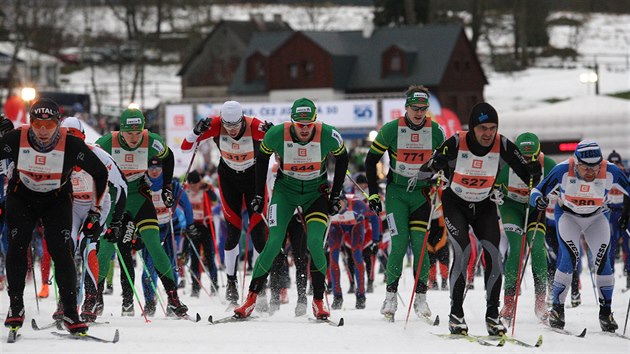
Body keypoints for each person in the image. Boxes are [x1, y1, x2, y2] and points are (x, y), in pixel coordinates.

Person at [421, 102, 540, 335]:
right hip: (456, 204)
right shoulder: (457, 141)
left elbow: (526, 173)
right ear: (473, 127)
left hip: (484, 204)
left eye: (492, 127)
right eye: (483, 128)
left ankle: (492, 315)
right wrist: (435, 165)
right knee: (463, 253)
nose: (488, 133)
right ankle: (456, 314)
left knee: (494, 255)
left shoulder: (502, 144)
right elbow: (425, 170)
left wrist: (533, 172)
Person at [234, 97, 348, 320]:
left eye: (308, 124)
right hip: (285, 192)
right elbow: (262, 158)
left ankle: (317, 301)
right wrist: (258, 194)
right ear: (292, 121)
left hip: (315, 194)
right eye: (299, 124)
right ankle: (250, 300)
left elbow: (342, 159)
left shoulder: (329, 134)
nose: (304, 130)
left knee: (315, 243)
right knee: (274, 241)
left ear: (315, 121)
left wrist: (335, 195)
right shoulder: (277, 134)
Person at [1, 99, 108, 334]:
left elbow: (100, 174)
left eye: (48, 126)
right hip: (22, 197)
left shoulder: (71, 144)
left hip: (56, 200)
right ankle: (16, 306)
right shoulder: (15, 139)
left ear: (58, 125)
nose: (42, 131)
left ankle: (70, 312)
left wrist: (95, 210)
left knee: (62, 250)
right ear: (30, 123)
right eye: (37, 124)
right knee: (18, 245)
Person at [94, 108, 189, 318]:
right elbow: (90, 164)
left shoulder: (152, 141)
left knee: (155, 246)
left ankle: (173, 299)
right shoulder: (107, 143)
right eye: (129, 134)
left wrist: (165, 187)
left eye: (138, 133)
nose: (134, 138)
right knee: (106, 249)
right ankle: (94, 298)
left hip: (139, 197)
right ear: (121, 131)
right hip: (117, 199)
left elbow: (169, 157)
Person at [530, 140, 630, 332]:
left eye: (595, 167)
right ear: (576, 163)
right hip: (568, 216)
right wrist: (538, 201)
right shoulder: (562, 170)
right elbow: (537, 190)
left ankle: (605, 313)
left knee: (603, 260)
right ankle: (558, 310)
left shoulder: (610, 171)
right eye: (585, 168)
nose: (591, 173)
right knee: (569, 257)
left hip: (597, 217)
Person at [364, 85, 445, 321]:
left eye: (423, 108)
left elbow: (449, 159)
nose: (419, 113)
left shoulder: (436, 131)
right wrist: (372, 193)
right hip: (397, 193)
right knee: (399, 244)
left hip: (421, 194)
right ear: (406, 107)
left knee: (421, 245)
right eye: (415, 108)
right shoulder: (391, 129)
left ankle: (421, 298)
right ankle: (390, 296)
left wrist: (441, 172)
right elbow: (371, 161)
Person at [181, 100, 270, 304]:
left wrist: (271, 132)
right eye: (227, 126)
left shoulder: (254, 125)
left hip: (253, 178)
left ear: (242, 120)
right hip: (229, 178)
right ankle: (231, 284)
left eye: (235, 125)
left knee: (257, 234)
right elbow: (186, 148)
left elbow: (280, 143)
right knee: (232, 232)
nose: (231, 130)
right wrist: (196, 132)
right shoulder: (214, 124)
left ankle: (260, 285)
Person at [58, 117, 128, 323]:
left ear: (83, 137)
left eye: (74, 136)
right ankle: (66, 300)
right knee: (65, 246)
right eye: (65, 136)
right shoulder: (57, 154)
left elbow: (121, 185)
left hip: (96, 205)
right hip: (71, 205)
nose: (70, 141)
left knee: (87, 245)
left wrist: (115, 222)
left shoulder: (97, 154)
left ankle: (91, 298)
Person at [494, 132, 556, 322]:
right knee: (516, 248)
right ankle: (509, 302)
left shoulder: (550, 165)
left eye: (532, 157)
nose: (528, 161)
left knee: (537, 248)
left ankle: (540, 302)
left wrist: (549, 197)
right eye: (524, 157)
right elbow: (490, 182)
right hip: (511, 207)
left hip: (533, 209)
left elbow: (564, 189)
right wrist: (495, 193)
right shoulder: (504, 163)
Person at [142, 156, 194, 314]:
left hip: (171, 227)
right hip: (150, 229)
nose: (154, 171)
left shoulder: (172, 184)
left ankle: (173, 302)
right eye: (151, 168)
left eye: (158, 168)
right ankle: (150, 302)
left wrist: (190, 225)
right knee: (149, 267)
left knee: (171, 266)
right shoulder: (142, 184)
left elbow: (186, 204)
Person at [327, 193, 368, 309]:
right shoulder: (329, 205)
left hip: (355, 227)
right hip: (337, 227)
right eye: (337, 204)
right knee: (333, 258)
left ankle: (360, 295)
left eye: (341, 203)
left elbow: (371, 214)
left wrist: (376, 237)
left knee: (357, 256)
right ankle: (337, 296)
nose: (339, 207)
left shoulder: (356, 203)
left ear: (346, 202)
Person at [183, 170, 220, 297]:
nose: (194, 188)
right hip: (193, 226)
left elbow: (215, 201)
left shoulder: (206, 187)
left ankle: (214, 285)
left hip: (206, 225)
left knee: (210, 257)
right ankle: (195, 287)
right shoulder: (186, 189)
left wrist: (208, 190)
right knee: (194, 257)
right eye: (191, 185)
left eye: (196, 185)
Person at [606, 150, 630, 289]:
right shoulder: (607, 175)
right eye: (612, 162)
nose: (615, 165)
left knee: (627, 245)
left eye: (617, 162)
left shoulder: (625, 173)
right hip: (611, 213)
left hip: (624, 211)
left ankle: (628, 274)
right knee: (611, 245)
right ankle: (610, 275)